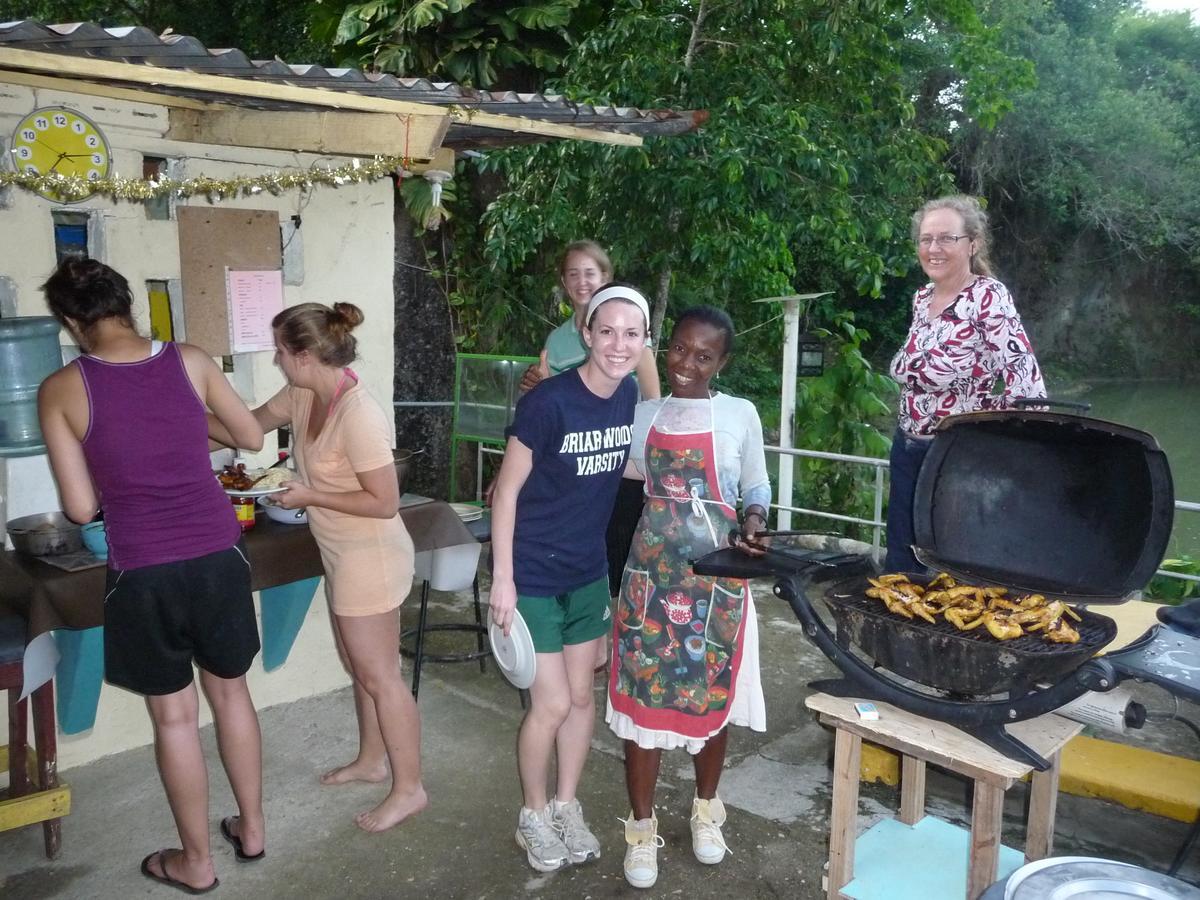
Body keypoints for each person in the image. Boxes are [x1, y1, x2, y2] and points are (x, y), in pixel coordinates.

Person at [38, 257, 266, 893]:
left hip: (145, 567)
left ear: (70, 321)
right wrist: (190, 425)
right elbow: (248, 435)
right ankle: (252, 829)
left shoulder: (61, 388)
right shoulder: (190, 360)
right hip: (220, 555)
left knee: (174, 718)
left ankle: (196, 863)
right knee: (233, 694)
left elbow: (82, 509)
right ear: (126, 302)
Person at [217, 302, 426, 833]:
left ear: (305, 355)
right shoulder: (304, 392)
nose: (277, 360)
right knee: (363, 668)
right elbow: (250, 428)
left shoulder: (359, 414)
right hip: (343, 553)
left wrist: (310, 493)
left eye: (281, 352)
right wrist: (184, 420)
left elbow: (384, 500)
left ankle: (409, 789)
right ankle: (373, 760)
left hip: (370, 556)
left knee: (380, 677)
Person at [605, 305, 771, 889]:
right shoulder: (642, 415)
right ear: (665, 346)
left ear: (721, 362)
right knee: (643, 705)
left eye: (703, 355)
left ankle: (705, 811)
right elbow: (602, 474)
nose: (686, 364)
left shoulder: (739, 415)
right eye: (678, 349)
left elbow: (755, 484)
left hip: (717, 583)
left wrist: (754, 518)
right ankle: (641, 827)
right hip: (650, 581)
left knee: (709, 697)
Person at [490, 283, 650, 873]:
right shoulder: (549, 403)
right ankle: (533, 814)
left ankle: (566, 804)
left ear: (644, 341)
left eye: (630, 333)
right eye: (606, 331)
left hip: (587, 573)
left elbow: (622, 466)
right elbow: (505, 490)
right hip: (531, 572)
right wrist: (501, 578)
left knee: (584, 697)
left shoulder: (629, 394)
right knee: (552, 703)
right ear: (585, 333)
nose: (617, 343)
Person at [515, 241, 662, 670]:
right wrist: (533, 386)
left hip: (616, 462)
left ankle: (599, 649)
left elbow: (650, 402)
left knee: (612, 556)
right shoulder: (559, 338)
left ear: (605, 276)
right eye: (573, 274)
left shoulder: (629, 330)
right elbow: (545, 402)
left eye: (590, 273)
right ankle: (568, 655)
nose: (582, 281)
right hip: (567, 468)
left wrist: (653, 465)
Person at [886, 195, 1046, 573]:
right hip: (908, 448)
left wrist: (1021, 449)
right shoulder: (922, 298)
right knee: (902, 565)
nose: (933, 249)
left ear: (972, 244)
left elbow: (1024, 379)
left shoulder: (989, 297)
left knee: (952, 569)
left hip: (957, 457)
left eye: (946, 238)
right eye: (926, 239)